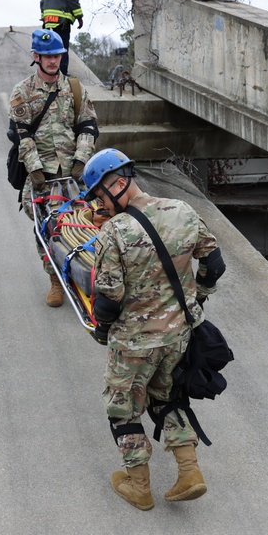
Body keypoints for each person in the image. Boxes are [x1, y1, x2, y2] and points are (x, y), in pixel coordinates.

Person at [82, 148, 227, 511]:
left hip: (134, 343)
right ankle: (189, 473)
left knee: (123, 409)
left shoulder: (115, 232)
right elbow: (213, 262)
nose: (100, 203)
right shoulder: (181, 210)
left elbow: (109, 298)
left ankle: (138, 485)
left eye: (100, 195)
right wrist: (199, 300)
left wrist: (101, 330)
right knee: (167, 398)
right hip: (178, 335)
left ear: (117, 183)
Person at [8, 28, 98, 307]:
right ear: (36, 56)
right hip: (42, 176)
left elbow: (88, 126)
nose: (52, 60)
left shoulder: (75, 88)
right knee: (47, 230)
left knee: (84, 224)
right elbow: (21, 135)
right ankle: (56, 281)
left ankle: (87, 276)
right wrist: (34, 170)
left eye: (56, 55)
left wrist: (81, 160)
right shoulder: (22, 92)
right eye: (46, 56)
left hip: (74, 172)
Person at [40, 0, 84, 76]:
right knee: (62, 47)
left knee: (48, 48)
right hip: (61, 21)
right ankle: (62, 73)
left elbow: (42, 1)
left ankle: (47, 72)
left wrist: (44, 18)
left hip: (48, 21)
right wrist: (79, 16)